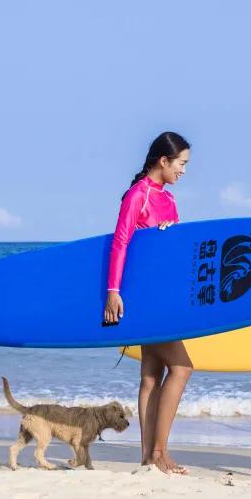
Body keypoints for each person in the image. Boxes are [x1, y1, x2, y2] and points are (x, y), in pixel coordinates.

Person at [103, 131, 193, 475]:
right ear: (163, 160)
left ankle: (147, 457)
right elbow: (121, 242)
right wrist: (114, 291)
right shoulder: (137, 195)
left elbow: (171, 251)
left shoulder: (168, 200)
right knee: (182, 368)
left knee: (152, 376)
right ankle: (158, 451)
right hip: (143, 298)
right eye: (181, 163)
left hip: (162, 295)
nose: (183, 170)